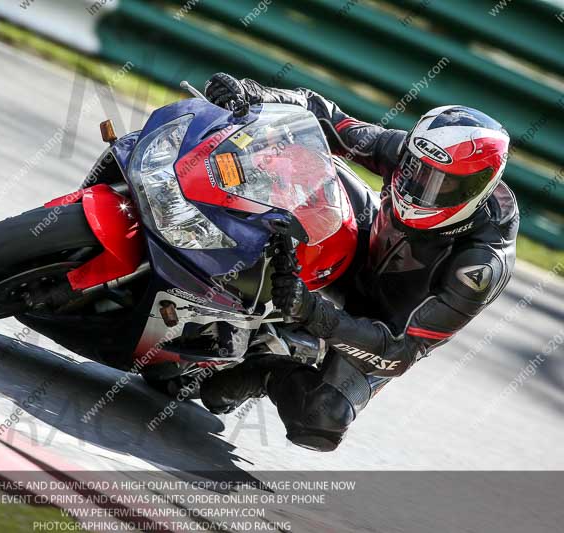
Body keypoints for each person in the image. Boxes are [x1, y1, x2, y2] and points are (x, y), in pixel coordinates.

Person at [198, 73, 519, 451]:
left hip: (385, 320)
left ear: (477, 189)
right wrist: (255, 93)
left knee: (320, 420)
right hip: (364, 243)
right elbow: (325, 117)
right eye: (417, 172)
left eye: (441, 184)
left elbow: (401, 352)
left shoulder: (481, 264)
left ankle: (265, 370)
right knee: (291, 166)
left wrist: (312, 312)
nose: (419, 188)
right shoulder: (408, 156)